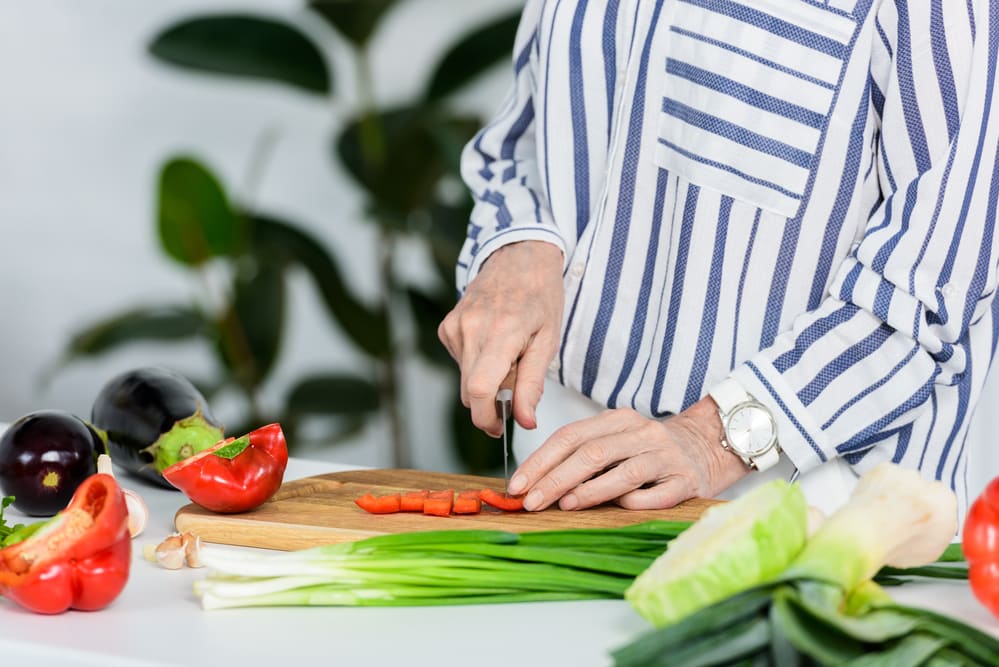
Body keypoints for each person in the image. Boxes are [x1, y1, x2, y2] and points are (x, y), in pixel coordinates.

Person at [438, 0, 998, 521]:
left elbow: (934, 287)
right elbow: (525, 136)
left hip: (812, 510)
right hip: (561, 470)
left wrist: (712, 439)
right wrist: (519, 246)